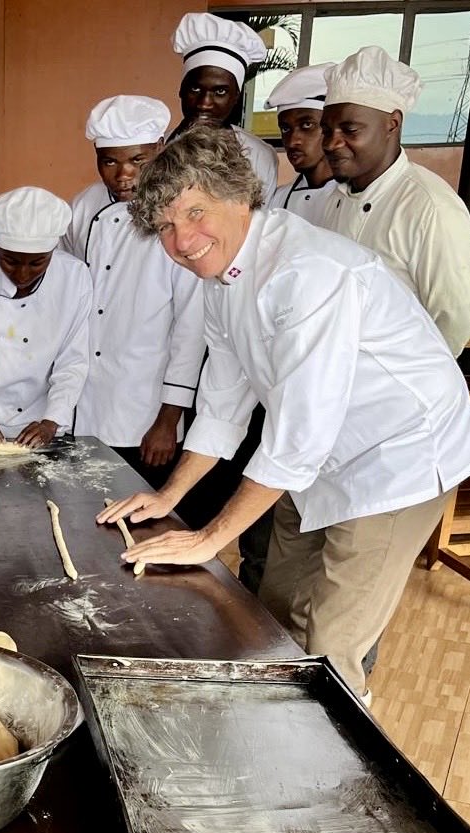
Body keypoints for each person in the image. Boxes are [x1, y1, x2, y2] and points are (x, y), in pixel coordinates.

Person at [99, 127, 470, 698]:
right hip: (318, 454)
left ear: (236, 194)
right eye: (167, 227)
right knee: (271, 613)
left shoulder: (309, 273)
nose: (182, 239)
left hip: (400, 457)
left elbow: (297, 436)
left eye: (194, 212)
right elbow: (224, 404)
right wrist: (170, 498)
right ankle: (278, 733)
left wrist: (207, 538)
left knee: (330, 640)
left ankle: (341, 777)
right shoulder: (223, 277)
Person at [63, 95, 204, 488]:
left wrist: (168, 420)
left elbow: (190, 328)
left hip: (145, 411)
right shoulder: (83, 206)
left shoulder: (183, 215)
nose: (122, 174)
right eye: (109, 161)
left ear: (160, 150)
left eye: (137, 160)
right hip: (82, 404)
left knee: (142, 524)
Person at [320, 46, 470, 355]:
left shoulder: (430, 208)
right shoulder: (336, 199)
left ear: (392, 124)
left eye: (349, 129)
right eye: (327, 130)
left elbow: (455, 321)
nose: (332, 143)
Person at [0, 187, 92, 448]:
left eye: (36, 263)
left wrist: (51, 422)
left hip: (46, 421)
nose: (22, 275)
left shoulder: (74, 278)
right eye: (9, 261)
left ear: (53, 251)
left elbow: (72, 362)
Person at [169, 12, 278, 201]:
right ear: (181, 90)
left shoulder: (259, 156)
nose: (204, 103)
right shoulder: (156, 148)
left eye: (220, 92)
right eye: (195, 89)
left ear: (235, 97)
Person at [264, 63, 337, 225]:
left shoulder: (353, 198)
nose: (292, 141)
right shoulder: (277, 201)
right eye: (285, 128)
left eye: (306, 125)